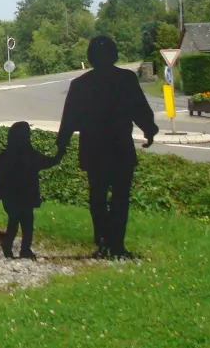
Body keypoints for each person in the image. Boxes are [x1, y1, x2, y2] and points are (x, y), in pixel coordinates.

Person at [55, 35, 159, 259]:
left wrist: (61, 147)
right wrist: (149, 130)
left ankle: (103, 241)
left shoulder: (80, 84)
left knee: (98, 197)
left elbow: (69, 120)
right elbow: (139, 108)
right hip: (121, 147)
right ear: (114, 55)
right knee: (120, 198)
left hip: (93, 150)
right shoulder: (126, 79)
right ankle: (117, 245)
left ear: (89, 57)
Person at [0, 121, 63, 259]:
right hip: (26, 197)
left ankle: (8, 246)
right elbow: (48, 161)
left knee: (13, 221)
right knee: (27, 223)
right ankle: (25, 249)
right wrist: (59, 154)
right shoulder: (30, 155)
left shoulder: (4, 156)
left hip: (10, 198)